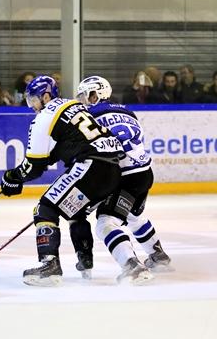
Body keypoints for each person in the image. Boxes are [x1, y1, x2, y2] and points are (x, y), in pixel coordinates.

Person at [0, 75, 129, 286]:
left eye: (33, 100)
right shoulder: (73, 105)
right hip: (113, 169)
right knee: (75, 210)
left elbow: (33, 166)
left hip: (90, 167)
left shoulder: (43, 117)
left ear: (46, 96)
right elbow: (72, 142)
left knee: (45, 209)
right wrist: (49, 158)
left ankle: (50, 266)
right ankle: (85, 261)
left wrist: (13, 177)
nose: (31, 106)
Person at [72, 75, 173, 280]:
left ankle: (132, 266)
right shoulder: (128, 112)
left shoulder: (90, 117)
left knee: (106, 223)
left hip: (123, 177)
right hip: (144, 174)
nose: (82, 102)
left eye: (84, 97)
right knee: (133, 216)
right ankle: (158, 256)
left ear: (95, 95)